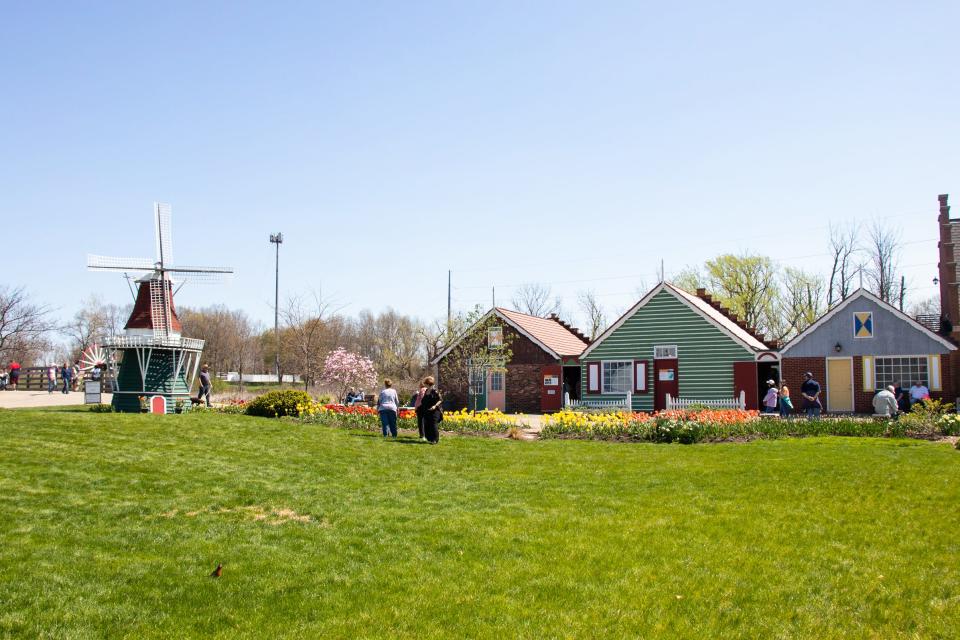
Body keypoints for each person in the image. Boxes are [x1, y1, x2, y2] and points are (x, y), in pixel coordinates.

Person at [417, 376, 443, 444]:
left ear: (428, 384)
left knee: (433, 425)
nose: (424, 385)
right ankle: (430, 439)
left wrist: (435, 406)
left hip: (435, 411)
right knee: (427, 424)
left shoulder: (435, 391)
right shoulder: (426, 391)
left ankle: (435, 439)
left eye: (425, 383)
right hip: (427, 410)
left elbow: (440, 400)